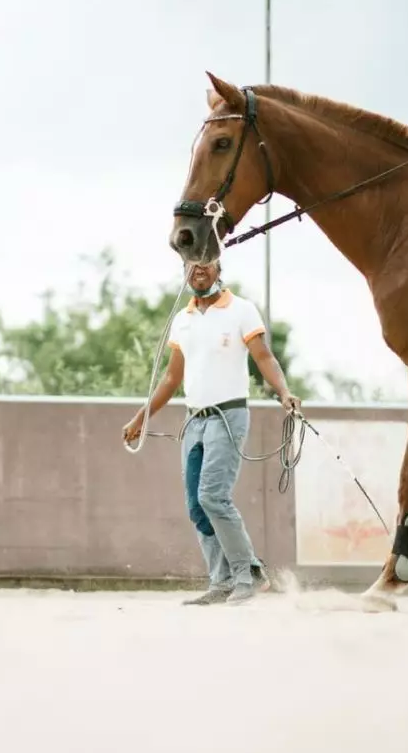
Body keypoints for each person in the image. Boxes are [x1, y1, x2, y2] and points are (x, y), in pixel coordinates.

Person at [122, 258, 301, 605]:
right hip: (194, 421)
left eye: (206, 262)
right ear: (184, 270)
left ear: (219, 267)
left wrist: (283, 392)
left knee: (213, 495)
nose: (198, 268)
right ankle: (221, 582)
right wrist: (141, 417)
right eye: (192, 263)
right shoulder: (182, 319)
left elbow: (264, 358)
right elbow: (172, 378)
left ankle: (247, 574)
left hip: (228, 416)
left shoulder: (241, 310)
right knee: (196, 505)